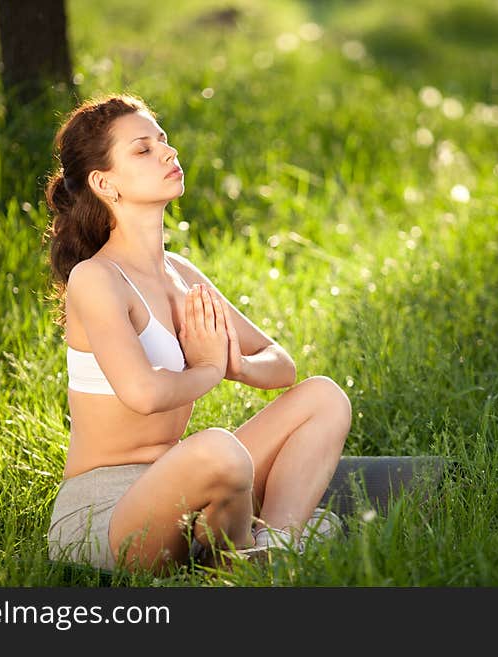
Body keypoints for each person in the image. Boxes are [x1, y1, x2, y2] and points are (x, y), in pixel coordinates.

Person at [44, 94, 351, 574]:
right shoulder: (96, 279)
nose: (169, 154)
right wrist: (209, 368)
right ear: (105, 182)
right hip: (105, 512)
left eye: (164, 142)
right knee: (219, 450)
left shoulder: (180, 273)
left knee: (324, 398)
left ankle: (274, 545)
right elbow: (143, 394)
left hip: (180, 483)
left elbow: (282, 364)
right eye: (143, 150)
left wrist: (236, 364)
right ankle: (247, 547)